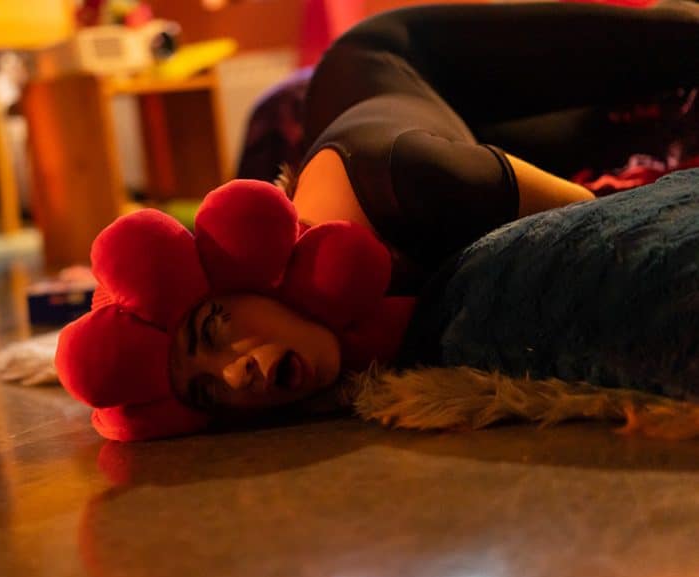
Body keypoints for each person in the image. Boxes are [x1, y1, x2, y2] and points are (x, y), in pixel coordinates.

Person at [55, 2, 699, 441]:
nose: (234, 374)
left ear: (240, 279)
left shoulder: (409, 184)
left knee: (672, 42)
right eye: (203, 391)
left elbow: (605, 219)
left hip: (398, 61)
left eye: (214, 328)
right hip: (440, 134)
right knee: (619, 127)